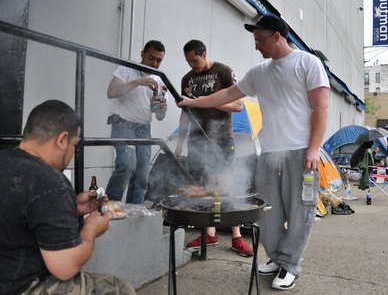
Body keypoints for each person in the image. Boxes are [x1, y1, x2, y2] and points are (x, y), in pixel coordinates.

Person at [178, 15, 329, 290]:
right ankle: (276, 257)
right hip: (270, 151)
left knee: (300, 212)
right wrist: (194, 101)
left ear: (277, 37)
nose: (256, 46)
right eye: (255, 41)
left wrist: (314, 148)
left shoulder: (308, 62)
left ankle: (291, 265)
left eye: (260, 40)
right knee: (267, 211)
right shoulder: (260, 72)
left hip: (300, 151)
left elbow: (321, 107)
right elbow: (228, 95)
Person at [0, 100, 135, 295]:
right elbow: (64, 267)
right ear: (62, 140)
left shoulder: (5, 160)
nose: (73, 152)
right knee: (119, 288)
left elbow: (17, 213)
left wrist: (71, 206)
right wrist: (90, 229)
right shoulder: (50, 181)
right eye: (74, 145)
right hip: (17, 287)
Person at [174, 40, 253, 257]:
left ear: (204, 54)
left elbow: (237, 105)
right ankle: (210, 233)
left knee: (228, 187)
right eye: (188, 61)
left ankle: (236, 237)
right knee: (205, 187)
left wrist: (206, 101)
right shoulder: (187, 79)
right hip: (198, 142)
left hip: (222, 138)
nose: (192, 65)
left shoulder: (224, 72)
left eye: (195, 60)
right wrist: (180, 144)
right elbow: (185, 112)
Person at [105, 40, 168, 204]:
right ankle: (110, 207)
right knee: (126, 165)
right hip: (122, 123)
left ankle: (135, 209)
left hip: (144, 128)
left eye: (159, 60)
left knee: (142, 173)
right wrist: (139, 82)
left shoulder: (160, 80)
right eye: (151, 58)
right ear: (142, 54)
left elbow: (159, 117)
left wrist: (162, 108)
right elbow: (111, 92)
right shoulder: (126, 69)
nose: (154, 63)